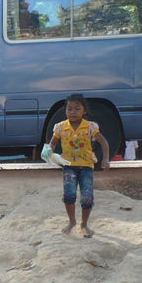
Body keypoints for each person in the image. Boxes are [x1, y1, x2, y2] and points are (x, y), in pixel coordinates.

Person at [48, 93, 111, 238]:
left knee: (87, 198)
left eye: (77, 109)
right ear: (65, 111)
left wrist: (105, 159)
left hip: (86, 166)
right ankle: (72, 221)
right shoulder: (60, 127)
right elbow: (53, 143)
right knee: (69, 195)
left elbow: (104, 142)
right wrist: (48, 152)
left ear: (84, 111)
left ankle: (84, 224)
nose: (73, 112)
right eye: (69, 109)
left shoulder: (90, 127)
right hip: (69, 166)